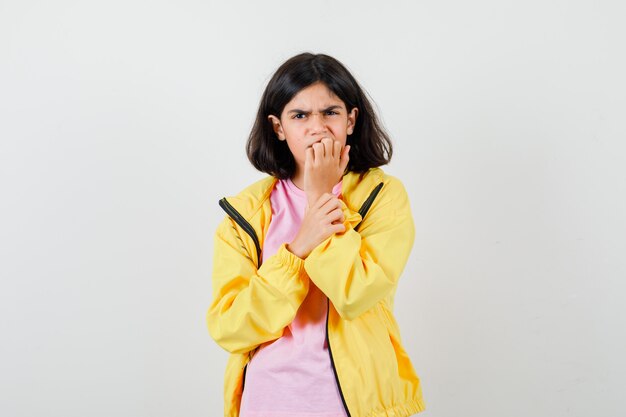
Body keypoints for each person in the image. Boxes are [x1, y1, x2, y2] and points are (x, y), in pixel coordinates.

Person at [206, 52, 426, 417]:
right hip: (267, 402)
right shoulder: (244, 214)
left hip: (357, 405)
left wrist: (320, 197)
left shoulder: (382, 196)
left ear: (351, 120)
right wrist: (297, 250)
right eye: (299, 115)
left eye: (331, 112)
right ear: (278, 127)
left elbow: (356, 294)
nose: (317, 127)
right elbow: (231, 328)